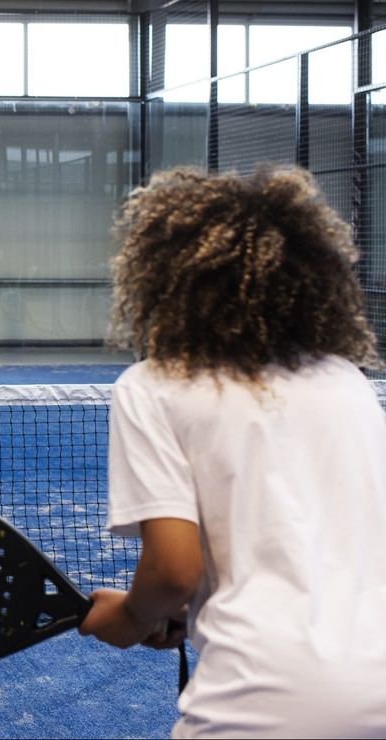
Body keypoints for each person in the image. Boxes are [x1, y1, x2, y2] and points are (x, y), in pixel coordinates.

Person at [78, 164, 386, 737]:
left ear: (164, 279)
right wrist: (188, 608)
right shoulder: (348, 381)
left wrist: (129, 617)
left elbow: (173, 570)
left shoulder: (153, 386)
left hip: (263, 697)